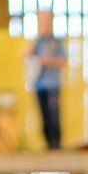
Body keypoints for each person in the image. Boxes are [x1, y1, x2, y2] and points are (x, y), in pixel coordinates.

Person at [29, 11, 67, 150]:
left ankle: (56, 144)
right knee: (43, 115)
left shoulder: (55, 41)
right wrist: (38, 37)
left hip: (53, 84)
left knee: (54, 115)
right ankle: (47, 144)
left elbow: (63, 60)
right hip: (39, 84)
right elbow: (25, 55)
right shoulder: (37, 41)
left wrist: (49, 61)